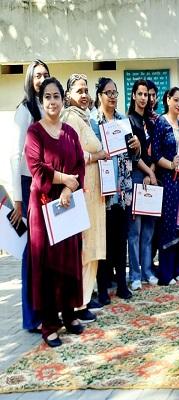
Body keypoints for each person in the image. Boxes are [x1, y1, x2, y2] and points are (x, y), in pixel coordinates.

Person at [24, 77, 86, 347]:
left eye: (56, 96)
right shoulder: (34, 133)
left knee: (69, 261)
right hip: (42, 208)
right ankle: (49, 324)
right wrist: (64, 181)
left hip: (66, 205)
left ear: (63, 100)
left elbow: (80, 165)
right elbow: (37, 170)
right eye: (47, 97)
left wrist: (69, 190)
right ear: (41, 101)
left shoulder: (70, 133)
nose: (52, 101)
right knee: (47, 267)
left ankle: (70, 315)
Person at [60, 74, 106, 322]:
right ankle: (78, 303)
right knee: (84, 247)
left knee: (92, 246)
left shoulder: (85, 118)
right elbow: (72, 157)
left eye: (86, 90)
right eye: (79, 91)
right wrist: (98, 156)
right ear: (68, 96)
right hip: (82, 189)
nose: (85, 94)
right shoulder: (69, 119)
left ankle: (85, 298)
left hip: (94, 190)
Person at [90, 77, 138, 303]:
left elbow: (132, 155)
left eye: (115, 92)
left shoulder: (123, 120)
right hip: (102, 190)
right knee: (103, 241)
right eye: (107, 92)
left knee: (121, 240)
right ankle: (102, 289)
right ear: (99, 95)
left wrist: (136, 147)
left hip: (123, 190)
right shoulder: (92, 121)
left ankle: (121, 286)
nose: (112, 96)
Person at [10, 60, 49, 333]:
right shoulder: (25, 110)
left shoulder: (48, 108)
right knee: (32, 253)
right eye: (37, 76)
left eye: (46, 75)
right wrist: (19, 199)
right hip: (28, 183)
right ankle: (30, 317)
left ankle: (47, 310)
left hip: (48, 183)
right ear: (29, 80)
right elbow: (16, 155)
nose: (42, 79)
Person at [152, 87, 179, 284]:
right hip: (168, 180)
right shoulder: (161, 123)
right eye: (176, 100)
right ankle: (166, 272)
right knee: (168, 224)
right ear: (168, 100)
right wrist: (171, 165)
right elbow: (155, 153)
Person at [126, 80, 159, 289]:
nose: (144, 98)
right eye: (140, 94)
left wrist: (152, 173)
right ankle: (135, 275)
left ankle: (147, 270)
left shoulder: (153, 121)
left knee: (149, 230)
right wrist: (147, 173)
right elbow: (132, 154)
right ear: (133, 96)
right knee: (135, 231)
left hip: (152, 177)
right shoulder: (128, 121)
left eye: (146, 94)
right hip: (136, 177)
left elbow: (156, 151)